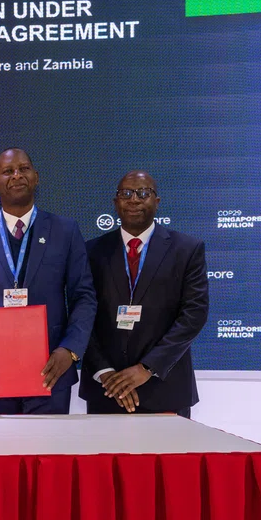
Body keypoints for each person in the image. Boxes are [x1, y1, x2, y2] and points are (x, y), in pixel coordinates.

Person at [0, 148, 96, 414]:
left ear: (36, 177)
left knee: (48, 456)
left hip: (50, 369)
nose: (17, 175)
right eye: (7, 171)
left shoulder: (65, 231)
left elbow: (83, 296)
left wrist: (70, 350)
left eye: (24, 169)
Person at [80, 171, 209, 418]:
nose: (134, 200)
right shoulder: (91, 252)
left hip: (165, 388)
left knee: (168, 458)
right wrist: (105, 372)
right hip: (107, 389)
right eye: (126, 193)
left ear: (157, 201)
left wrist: (146, 368)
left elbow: (194, 314)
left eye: (143, 193)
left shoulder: (187, 250)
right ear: (115, 202)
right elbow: (81, 316)